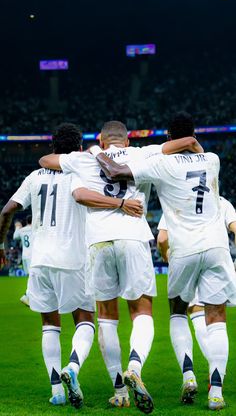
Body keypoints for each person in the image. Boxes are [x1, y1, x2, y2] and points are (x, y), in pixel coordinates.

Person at [39, 120, 203, 414]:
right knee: (142, 312)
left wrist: (86, 153)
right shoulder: (143, 153)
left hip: (98, 242)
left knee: (107, 318)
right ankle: (135, 366)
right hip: (133, 237)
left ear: (101, 140)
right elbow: (185, 142)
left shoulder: (84, 159)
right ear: (126, 141)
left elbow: (45, 161)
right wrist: (193, 144)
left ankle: (118, 390)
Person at [91, 112, 236, 411]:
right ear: (193, 136)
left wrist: (96, 151)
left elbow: (116, 171)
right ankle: (216, 391)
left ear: (169, 139)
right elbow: (195, 148)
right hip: (218, 247)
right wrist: (194, 144)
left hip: (183, 249)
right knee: (216, 318)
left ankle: (188, 374)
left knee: (178, 313)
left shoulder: (159, 163)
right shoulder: (213, 159)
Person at [0, 122, 142, 409]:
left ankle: (56, 390)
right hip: (74, 259)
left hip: (39, 262)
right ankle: (73, 367)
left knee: (49, 327)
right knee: (86, 321)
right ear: (79, 148)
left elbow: (7, 210)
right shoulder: (81, 172)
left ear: (53, 147)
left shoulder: (34, 177)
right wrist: (120, 203)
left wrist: (1, 245)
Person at [157, 196, 236, 361]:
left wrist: (167, 256)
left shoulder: (175, 198)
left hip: (187, 255)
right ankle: (217, 377)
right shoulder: (222, 202)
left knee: (186, 311)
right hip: (216, 255)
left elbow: (162, 239)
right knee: (216, 316)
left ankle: (190, 374)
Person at [13, 215, 32, 306]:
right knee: (33, 277)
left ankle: (29, 295)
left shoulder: (22, 230)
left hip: (25, 256)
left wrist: (17, 227)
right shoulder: (35, 229)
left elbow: (15, 237)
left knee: (31, 276)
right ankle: (26, 296)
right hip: (34, 256)